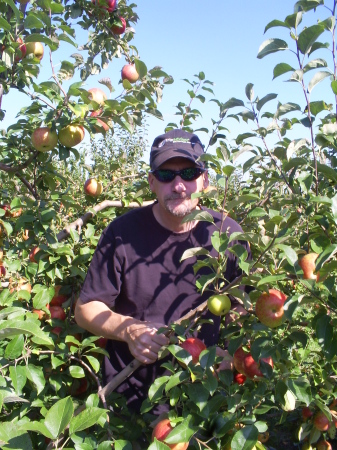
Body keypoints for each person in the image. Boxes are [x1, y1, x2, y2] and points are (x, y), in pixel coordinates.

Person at [75, 129, 250, 413]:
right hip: (129, 395)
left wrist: (232, 355)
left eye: (189, 173)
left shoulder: (229, 235)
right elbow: (86, 309)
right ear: (152, 182)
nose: (179, 185)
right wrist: (129, 330)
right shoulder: (122, 233)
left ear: (205, 180)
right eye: (167, 175)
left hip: (202, 395)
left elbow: (241, 308)